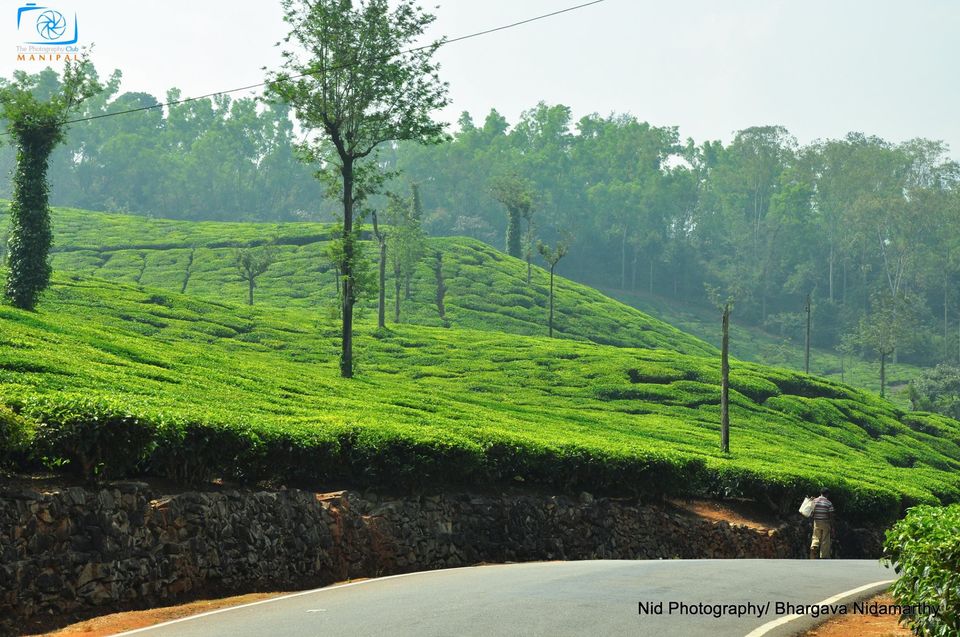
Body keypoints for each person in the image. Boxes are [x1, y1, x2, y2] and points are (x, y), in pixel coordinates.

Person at [809, 487, 835, 559]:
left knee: (816, 536)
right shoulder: (828, 503)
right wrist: (832, 526)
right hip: (825, 522)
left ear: (820, 493)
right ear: (827, 494)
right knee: (825, 539)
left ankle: (814, 545)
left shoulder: (814, 501)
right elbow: (831, 515)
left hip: (816, 521)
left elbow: (811, 511)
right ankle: (824, 555)